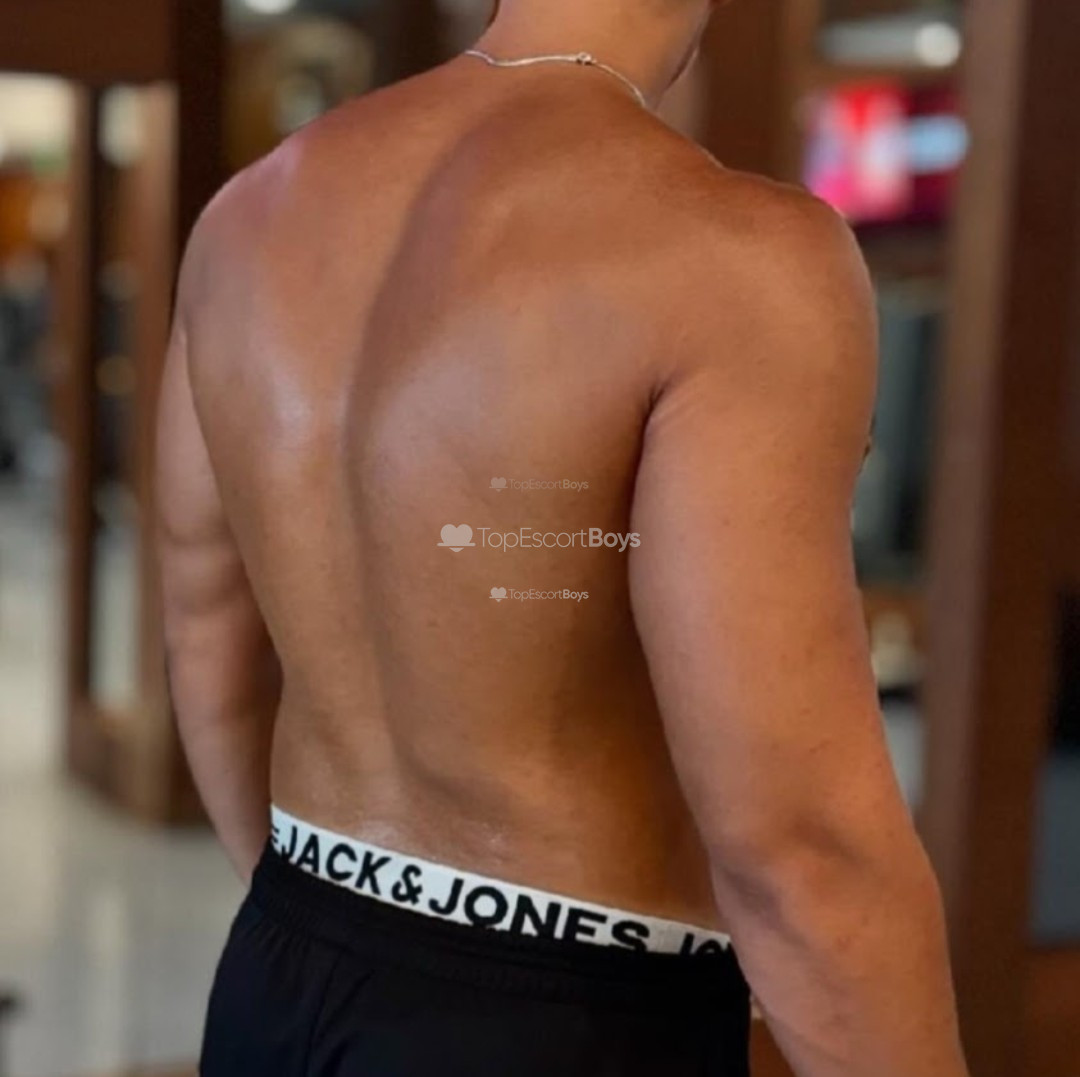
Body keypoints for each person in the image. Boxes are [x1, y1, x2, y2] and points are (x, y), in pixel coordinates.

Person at [156, 0, 971, 1074]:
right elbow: (800, 847)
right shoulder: (736, 258)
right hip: (562, 1020)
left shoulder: (246, 216)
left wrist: (351, 942)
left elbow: (205, 639)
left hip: (283, 962)